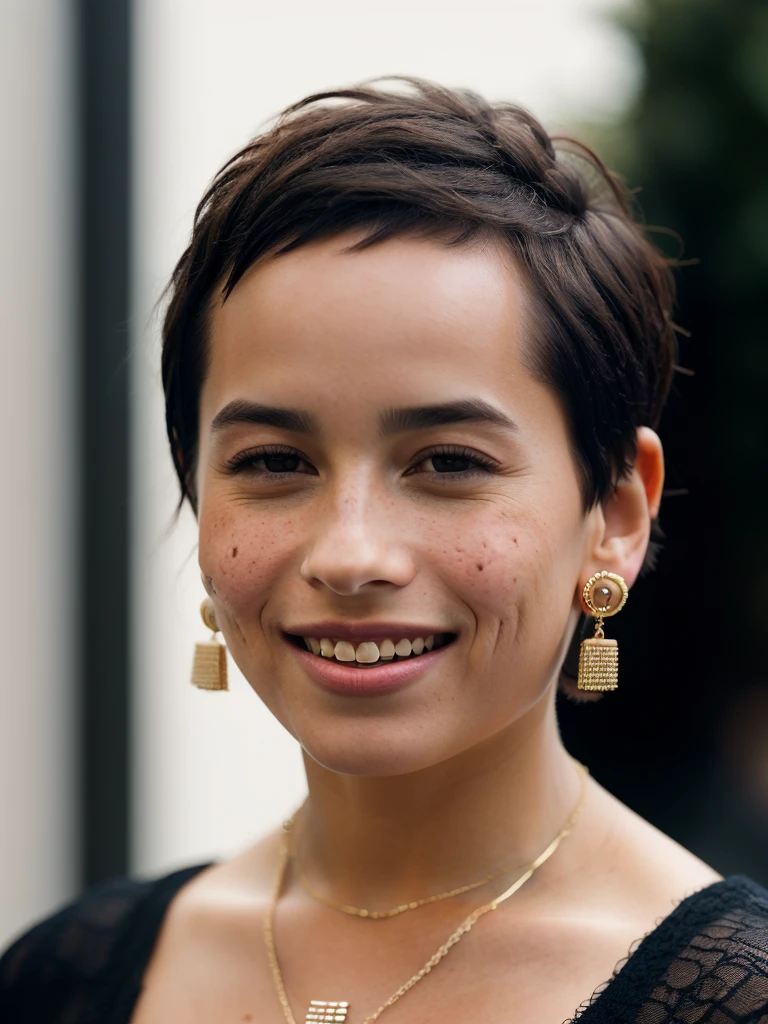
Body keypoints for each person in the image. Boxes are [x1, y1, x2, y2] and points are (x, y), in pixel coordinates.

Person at [2, 75, 768, 1024]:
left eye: (448, 461)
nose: (351, 553)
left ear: (613, 516)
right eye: (275, 461)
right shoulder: (58, 981)